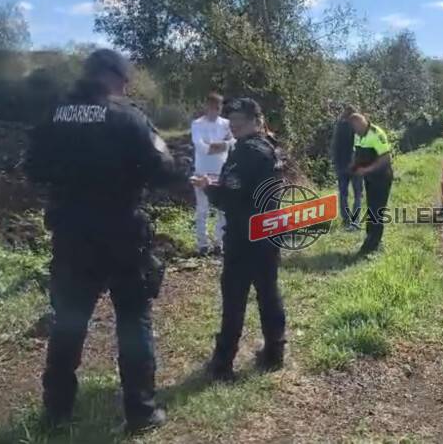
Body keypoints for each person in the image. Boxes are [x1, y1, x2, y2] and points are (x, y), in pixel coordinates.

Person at [24, 49, 176, 433]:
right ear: (114, 78)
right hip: (122, 232)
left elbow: (33, 168)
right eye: (125, 82)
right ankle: (141, 411)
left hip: (72, 234)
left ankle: (57, 411)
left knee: (69, 321)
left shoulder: (54, 115)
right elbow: (164, 169)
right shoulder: (128, 117)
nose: (126, 88)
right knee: (133, 319)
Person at [190, 98, 287, 381]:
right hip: (269, 229)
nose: (234, 127)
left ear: (256, 121)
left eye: (239, 122)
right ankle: (274, 352)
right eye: (231, 122)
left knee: (234, 298)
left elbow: (231, 197)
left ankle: (222, 364)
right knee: (268, 292)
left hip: (245, 235)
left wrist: (209, 187)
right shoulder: (271, 146)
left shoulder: (246, 152)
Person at [191, 93, 234, 256]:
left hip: (221, 171)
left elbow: (233, 142)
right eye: (212, 107)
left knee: (222, 210)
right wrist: (223, 145)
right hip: (202, 170)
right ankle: (202, 244)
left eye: (218, 107)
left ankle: (219, 243)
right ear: (206, 106)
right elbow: (201, 147)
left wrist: (218, 146)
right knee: (202, 209)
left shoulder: (226, 124)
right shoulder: (197, 124)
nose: (215, 110)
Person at [347, 113, 394, 255]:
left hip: (382, 177)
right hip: (370, 178)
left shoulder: (376, 134)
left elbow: (386, 158)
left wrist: (366, 169)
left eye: (357, 127)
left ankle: (375, 244)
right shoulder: (358, 135)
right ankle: (370, 238)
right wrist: (353, 167)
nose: (355, 131)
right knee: (371, 209)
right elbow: (357, 154)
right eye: (353, 128)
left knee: (377, 210)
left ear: (363, 123)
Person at [331, 104, 363, 231]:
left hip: (341, 165)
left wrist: (335, 163)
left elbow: (334, 147)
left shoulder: (339, 127)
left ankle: (346, 219)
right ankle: (355, 220)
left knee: (343, 193)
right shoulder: (358, 127)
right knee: (358, 194)